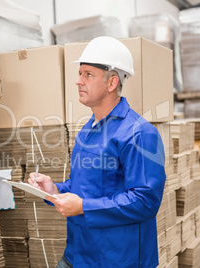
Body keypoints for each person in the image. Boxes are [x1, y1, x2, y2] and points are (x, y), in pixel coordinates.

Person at [28, 36, 166, 268]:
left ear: (112, 83)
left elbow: (146, 201)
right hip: (78, 252)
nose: (78, 81)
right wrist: (54, 190)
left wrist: (82, 207)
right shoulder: (88, 130)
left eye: (88, 75)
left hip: (118, 259)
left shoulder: (139, 133)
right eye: (79, 73)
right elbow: (85, 186)